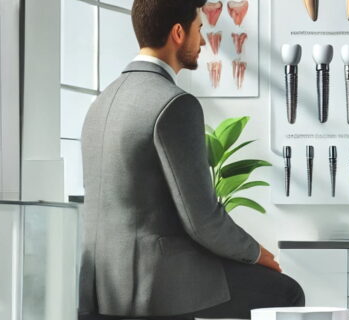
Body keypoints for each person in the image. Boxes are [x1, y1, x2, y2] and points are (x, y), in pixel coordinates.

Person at [77, 0, 303, 319]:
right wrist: (257, 254)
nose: (203, 39)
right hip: (155, 284)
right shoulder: (174, 104)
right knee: (286, 292)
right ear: (179, 33)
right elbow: (203, 221)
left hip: (98, 286)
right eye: (200, 28)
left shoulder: (100, 103)